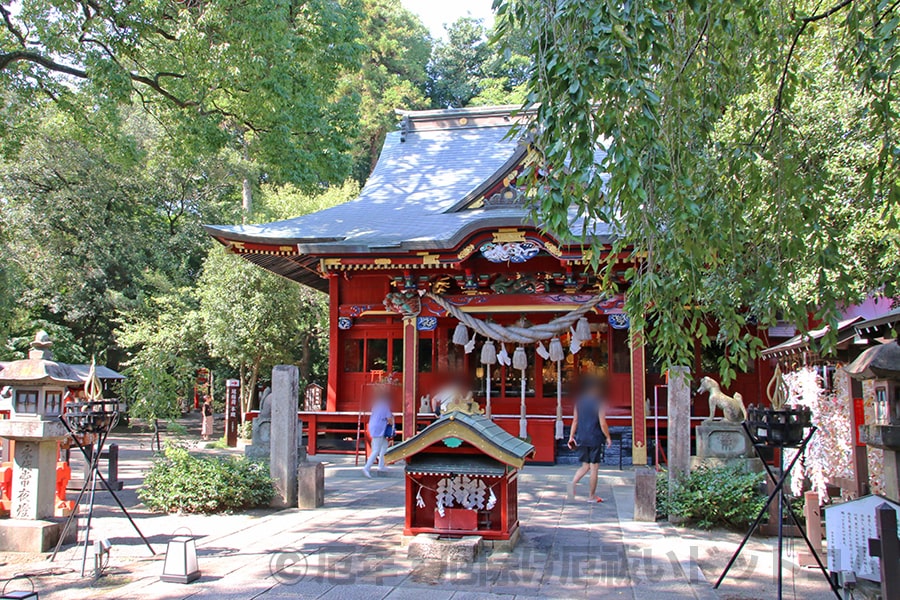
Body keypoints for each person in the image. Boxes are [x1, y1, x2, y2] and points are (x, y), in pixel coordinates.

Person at [567, 376, 611, 502]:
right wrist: (608, 437)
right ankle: (591, 496)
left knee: (585, 466)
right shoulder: (599, 403)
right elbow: (602, 423)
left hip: (581, 437)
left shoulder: (579, 402)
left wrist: (571, 436)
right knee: (594, 468)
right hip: (595, 437)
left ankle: (572, 484)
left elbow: (575, 420)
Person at [363, 388, 394, 478]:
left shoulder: (376, 404)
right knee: (376, 449)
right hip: (379, 428)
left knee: (384, 445)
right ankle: (367, 467)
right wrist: (392, 423)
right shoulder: (385, 406)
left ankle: (381, 465)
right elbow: (389, 418)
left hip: (374, 426)